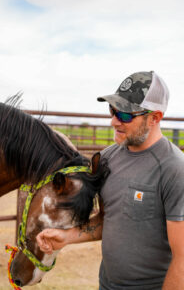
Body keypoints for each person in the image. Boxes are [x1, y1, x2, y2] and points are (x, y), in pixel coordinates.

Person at [36, 71, 184, 290]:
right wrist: (67, 236)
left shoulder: (174, 169)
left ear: (155, 118)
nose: (114, 121)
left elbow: (182, 259)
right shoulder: (107, 159)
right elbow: (108, 221)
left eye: (125, 115)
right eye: (113, 110)